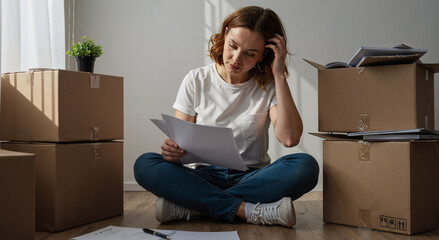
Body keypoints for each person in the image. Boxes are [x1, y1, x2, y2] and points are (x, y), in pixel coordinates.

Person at [134, 6, 319, 228]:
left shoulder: (269, 85)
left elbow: (289, 139)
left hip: (252, 177)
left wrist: (279, 74)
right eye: (233, 46)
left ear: (264, 54)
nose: (236, 58)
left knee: (305, 166)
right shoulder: (196, 80)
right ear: (225, 34)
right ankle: (245, 210)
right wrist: (172, 152)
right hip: (203, 176)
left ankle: (195, 205)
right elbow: (179, 143)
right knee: (144, 164)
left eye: (250, 53)